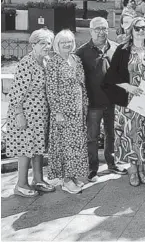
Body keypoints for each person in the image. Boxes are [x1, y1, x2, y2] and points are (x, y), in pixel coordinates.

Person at [102, 17, 145, 187]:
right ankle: (133, 172)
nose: (140, 31)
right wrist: (128, 87)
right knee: (131, 136)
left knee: (144, 135)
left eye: (144, 28)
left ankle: (143, 171)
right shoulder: (123, 50)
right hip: (128, 101)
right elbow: (111, 76)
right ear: (132, 31)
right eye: (137, 28)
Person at [6, 29, 57, 197]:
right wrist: (19, 114)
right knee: (25, 149)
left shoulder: (46, 60)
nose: (46, 46)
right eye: (42, 43)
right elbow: (15, 93)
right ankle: (21, 184)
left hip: (40, 114)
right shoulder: (26, 63)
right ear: (33, 45)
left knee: (38, 148)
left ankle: (38, 179)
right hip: (26, 114)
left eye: (49, 43)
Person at [76, 18, 128, 181]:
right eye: (97, 29)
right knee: (92, 136)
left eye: (104, 28)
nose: (101, 32)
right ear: (91, 31)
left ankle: (112, 163)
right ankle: (92, 168)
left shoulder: (116, 48)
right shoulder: (81, 52)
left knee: (111, 134)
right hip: (93, 103)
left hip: (112, 101)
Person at [44, 30, 90, 193]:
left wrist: (84, 104)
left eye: (69, 41)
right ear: (57, 44)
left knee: (76, 145)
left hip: (77, 110)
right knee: (65, 146)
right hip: (63, 111)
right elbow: (51, 89)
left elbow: (82, 84)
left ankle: (73, 176)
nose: (67, 45)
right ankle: (66, 180)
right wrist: (57, 111)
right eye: (63, 42)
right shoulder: (53, 62)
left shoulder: (76, 59)